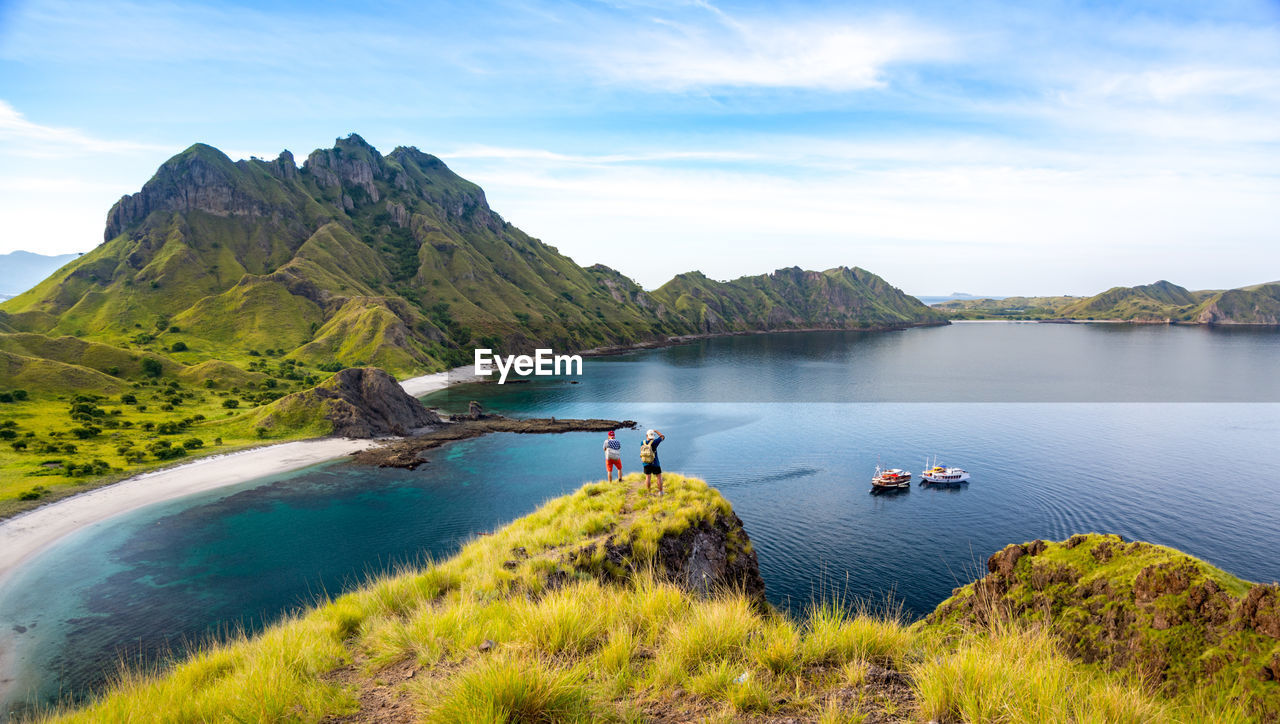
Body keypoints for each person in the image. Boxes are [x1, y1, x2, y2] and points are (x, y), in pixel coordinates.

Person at [640, 429, 665, 496]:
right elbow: (662, 437)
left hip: (646, 463)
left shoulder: (642, 442)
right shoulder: (655, 442)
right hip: (655, 463)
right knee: (659, 477)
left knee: (648, 477)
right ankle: (661, 492)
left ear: (646, 435)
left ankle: (649, 493)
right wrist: (656, 431)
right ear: (653, 436)